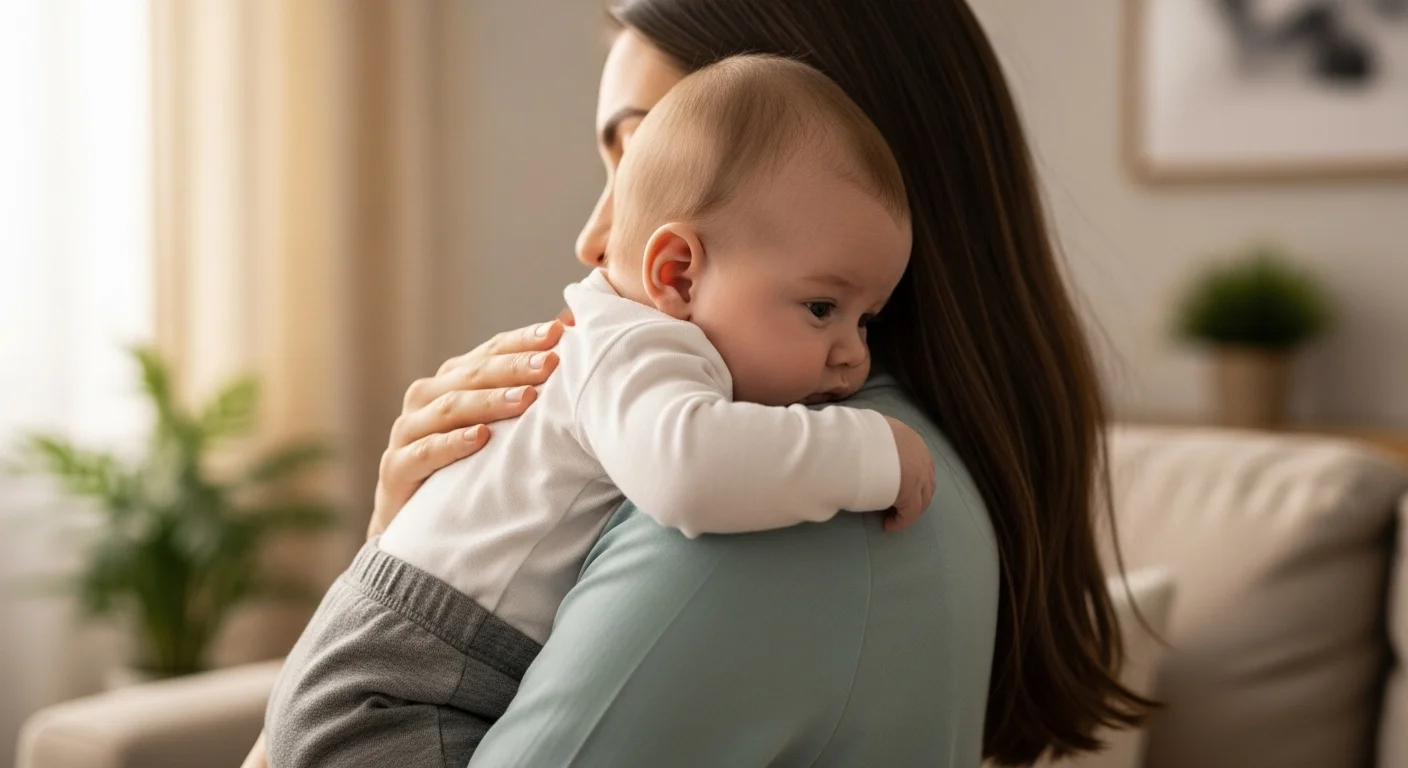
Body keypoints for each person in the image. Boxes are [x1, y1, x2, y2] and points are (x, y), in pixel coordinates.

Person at [244, 2, 1152, 766]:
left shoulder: (789, 510)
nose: (594, 239)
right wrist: (403, 548)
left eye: (645, 160)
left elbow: (692, 474)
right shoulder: (887, 465)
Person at [261, 55, 938, 767]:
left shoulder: (615, 341)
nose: (853, 357)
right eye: (823, 308)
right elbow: (691, 472)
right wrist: (869, 452)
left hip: (390, 656)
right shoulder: (639, 348)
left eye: (866, 322)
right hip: (408, 684)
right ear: (677, 272)